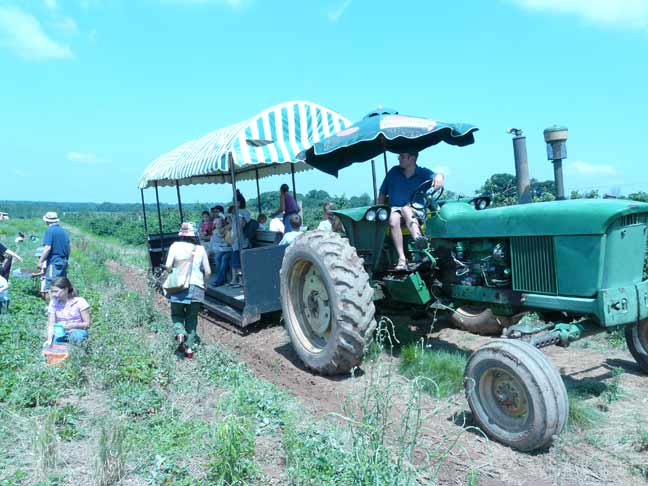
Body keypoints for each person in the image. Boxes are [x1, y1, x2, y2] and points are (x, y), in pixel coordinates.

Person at [378, 152, 444, 271]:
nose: (399, 158)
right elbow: (382, 193)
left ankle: (419, 243)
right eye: (399, 156)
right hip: (395, 209)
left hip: (416, 209)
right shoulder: (393, 172)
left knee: (406, 209)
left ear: (412, 158)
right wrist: (380, 209)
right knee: (393, 219)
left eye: (402, 156)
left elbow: (438, 176)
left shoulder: (422, 172)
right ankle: (402, 258)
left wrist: (439, 177)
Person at [164, 222, 211, 358]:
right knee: (192, 318)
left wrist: (174, 274)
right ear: (194, 234)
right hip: (197, 287)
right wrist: (205, 284)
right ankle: (189, 350)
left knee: (176, 315)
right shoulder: (200, 249)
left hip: (178, 286)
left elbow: (168, 266)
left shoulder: (174, 246)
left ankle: (180, 333)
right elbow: (208, 271)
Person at [44, 277, 91, 345]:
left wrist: (73, 326)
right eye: (52, 291)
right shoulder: (53, 303)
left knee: (77, 337)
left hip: (77, 331)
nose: (53, 294)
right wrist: (49, 340)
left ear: (66, 289)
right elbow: (51, 324)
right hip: (60, 332)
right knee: (55, 346)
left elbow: (87, 324)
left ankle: (77, 352)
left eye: (56, 291)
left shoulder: (80, 302)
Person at [37, 212, 70, 293]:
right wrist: (66, 259)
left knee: (52, 285)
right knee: (61, 285)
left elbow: (47, 248)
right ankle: (62, 304)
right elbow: (69, 247)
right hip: (64, 261)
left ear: (47, 221)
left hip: (54, 261)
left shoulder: (50, 231)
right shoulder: (64, 232)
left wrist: (40, 261)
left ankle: (51, 304)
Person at [229, 191, 251, 287]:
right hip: (238, 241)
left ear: (238, 202)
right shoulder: (241, 212)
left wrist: (234, 237)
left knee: (238, 262)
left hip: (239, 241)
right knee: (236, 261)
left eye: (234, 201)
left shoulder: (241, 213)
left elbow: (240, 225)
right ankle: (236, 280)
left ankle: (241, 282)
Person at [208, 217, 232, 287]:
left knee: (222, 258)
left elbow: (227, 240)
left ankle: (219, 280)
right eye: (216, 223)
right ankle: (222, 279)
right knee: (218, 258)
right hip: (223, 249)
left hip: (230, 249)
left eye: (219, 223)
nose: (217, 225)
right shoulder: (217, 231)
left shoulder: (226, 229)